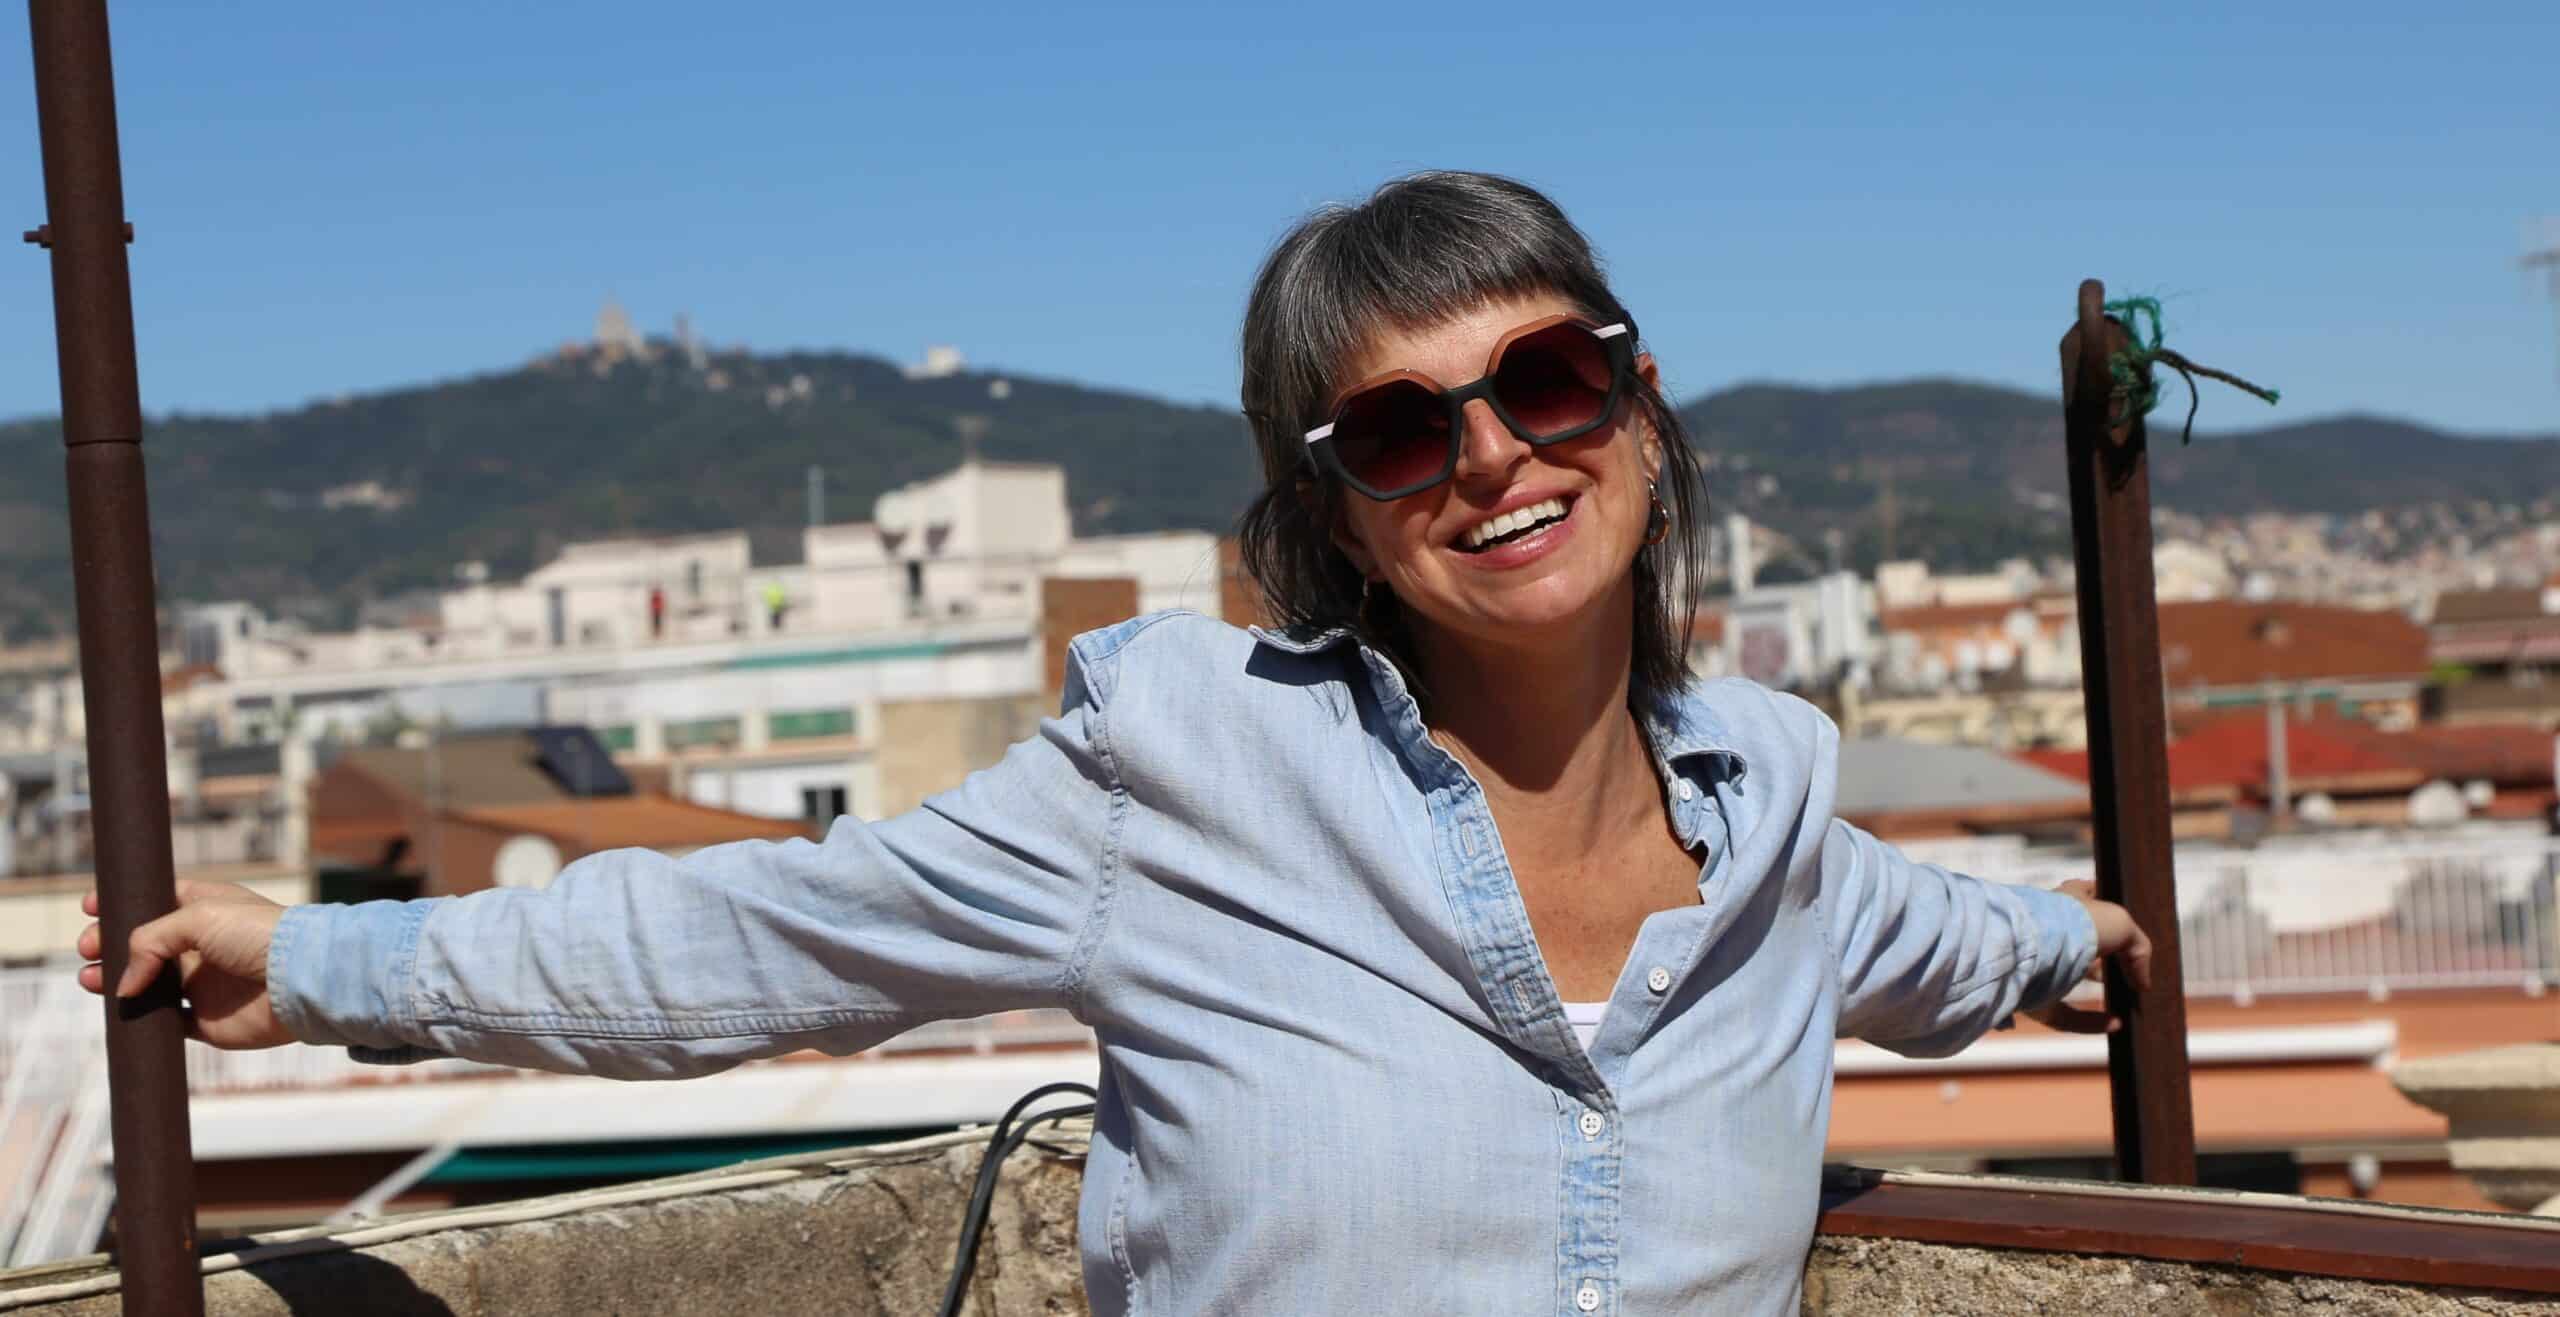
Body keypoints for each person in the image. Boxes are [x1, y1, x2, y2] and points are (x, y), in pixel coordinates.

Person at [77, 171, 2149, 1314]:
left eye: (1543, 379)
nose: (1493, 456)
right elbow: (761, 939)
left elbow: (1944, 940)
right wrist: (325, 962)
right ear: (1334, 510)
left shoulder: (1776, 806)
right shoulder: (1187, 768)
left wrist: (2085, 943)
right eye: (1401, 429)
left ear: (1636, 397)